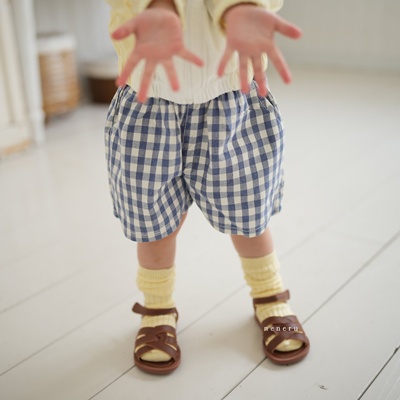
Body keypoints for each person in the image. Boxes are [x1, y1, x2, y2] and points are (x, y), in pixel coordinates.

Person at [104, 0, 310, 375]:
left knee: (248, 215)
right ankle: (157, 307)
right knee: (155, 225)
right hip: (148, 94)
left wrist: (241, 7)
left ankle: (269, 294)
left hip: (231, 92)